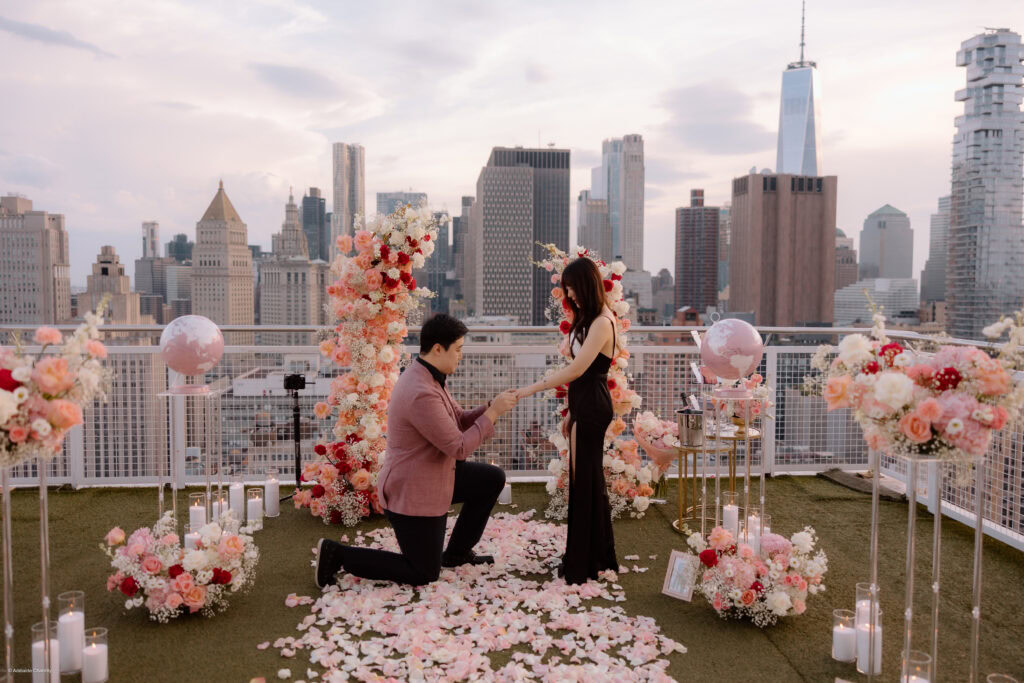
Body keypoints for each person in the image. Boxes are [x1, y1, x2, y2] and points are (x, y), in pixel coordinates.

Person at [314, 313, 518, 588]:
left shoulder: (430, 376)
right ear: (437, 349)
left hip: (433, 476)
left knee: (490, 479)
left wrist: (491, 406)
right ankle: (338, 554)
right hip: (412, 489)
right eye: (457, 350)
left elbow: (457, 420)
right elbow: (458, 447)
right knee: (422, 572)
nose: (460, 356)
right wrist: (493, 413)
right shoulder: (421, 391)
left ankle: (456, 554)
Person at [514, 257, 619, 584]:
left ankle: (585, 563)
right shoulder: (589, 320)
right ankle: (595, 557)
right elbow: (579, 375)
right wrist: (571, 412)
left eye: (572, 287)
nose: (569, 294)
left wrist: (533, 387)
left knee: (585, 482)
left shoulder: (602, 321)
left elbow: (577, 371)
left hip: (592, 403)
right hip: (583, 403)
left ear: (585, 284)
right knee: (585, 481)